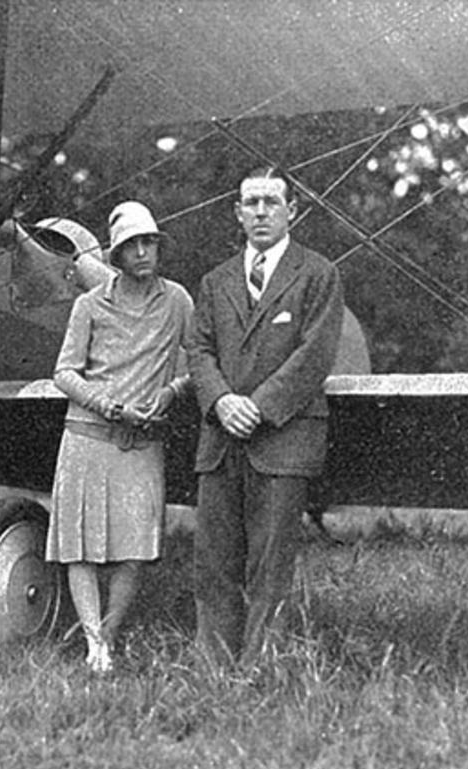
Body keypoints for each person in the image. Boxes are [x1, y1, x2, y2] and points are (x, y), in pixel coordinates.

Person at [188, 166, 344, 666]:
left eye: (270, 203)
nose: (260, 212)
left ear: (291, 211)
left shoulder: (318, 274)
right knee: (213, 562)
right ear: (237, 212)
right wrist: (219, 401)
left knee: (270, 564)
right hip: (220, 441)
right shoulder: (215, 282)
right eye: (250, 203)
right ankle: (214, 669)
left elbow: (315, 354)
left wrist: (258, 406)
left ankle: (259, 669)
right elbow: (199, 348)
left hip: (283, 441)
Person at [45, 201, 193, 673]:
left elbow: (197, 361)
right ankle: (94, 647)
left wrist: (170, 392)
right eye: (132, 246)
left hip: (142, 439)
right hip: (87, 435)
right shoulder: (89, 305)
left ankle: (108, 634)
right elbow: (64, 372)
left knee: (135, 549)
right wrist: (103, 403)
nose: (143, 252)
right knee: (79, 547)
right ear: (117, 255)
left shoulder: (178, 301)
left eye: (149, 242)